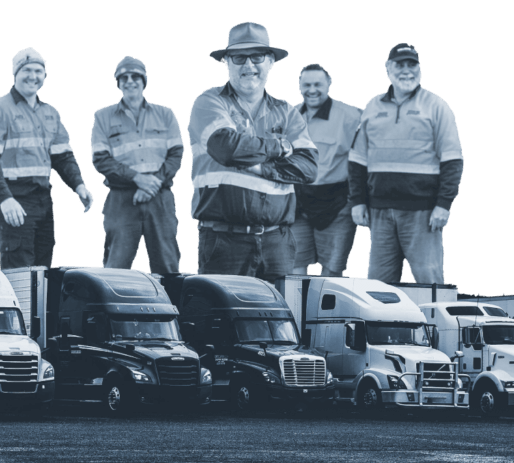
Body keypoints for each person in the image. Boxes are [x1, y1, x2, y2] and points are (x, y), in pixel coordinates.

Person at [187, 21, 319, 282]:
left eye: (257, 56)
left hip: (277, 241)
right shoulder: (209, 101)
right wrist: (279, 146)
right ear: (227, 63)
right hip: (224, 241)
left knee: (280, 321)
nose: (249, 65)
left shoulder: (288, 112)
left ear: (270, 61)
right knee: (221, 321)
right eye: (239, 57)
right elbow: (225, 148)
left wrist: (260, 166)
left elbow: (309, 167)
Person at [348, 43, 464, 283]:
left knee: (429, 282)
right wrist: (357, 202)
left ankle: (436, 322)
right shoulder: (372, 106)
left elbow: (453, 161)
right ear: (388, 69)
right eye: (400, 65)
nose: (406, 70)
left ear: (420, 69)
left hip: (422, 213)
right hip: (379, 211)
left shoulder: (436, 106)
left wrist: (444, 205)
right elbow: (357, 160)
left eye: (412, 64)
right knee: (378, 286)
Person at [0, 47, 94, 269]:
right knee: (19, 265)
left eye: (39, 71)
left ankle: (39, 306)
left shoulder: (50, 112)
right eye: (27, 70)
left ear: (45, 76)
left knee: (43, 268)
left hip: (43, 199)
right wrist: (5, 199)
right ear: (15, 74)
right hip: (15, 197)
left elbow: (63, 157)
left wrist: (79, 185)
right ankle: (18, 306)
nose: (33, 76)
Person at [90, 56, 184, 273]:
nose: (130, 81)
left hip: (160, 198)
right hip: (122, 200)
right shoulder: (102, 116)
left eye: (135, 77)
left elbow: (176, 155)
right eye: (124, 77)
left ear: (144, 81)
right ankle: (112, 307)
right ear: (118, 83)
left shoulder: (166, 114)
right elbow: (101, 160)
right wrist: (138, 179)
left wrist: (153, 184)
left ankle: (172, 306)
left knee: (167, 264)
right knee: (116, 267)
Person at [289, 64, 363, 277]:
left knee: (332, 272)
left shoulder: (352, 116)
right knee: (294, 268)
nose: (312, 90)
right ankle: (298, 311)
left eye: (318, 84)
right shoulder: (289, 116)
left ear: (329, 84)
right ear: (300, 87)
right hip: (297, 205)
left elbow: (364, 160)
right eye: (307, 85)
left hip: (337, 204)